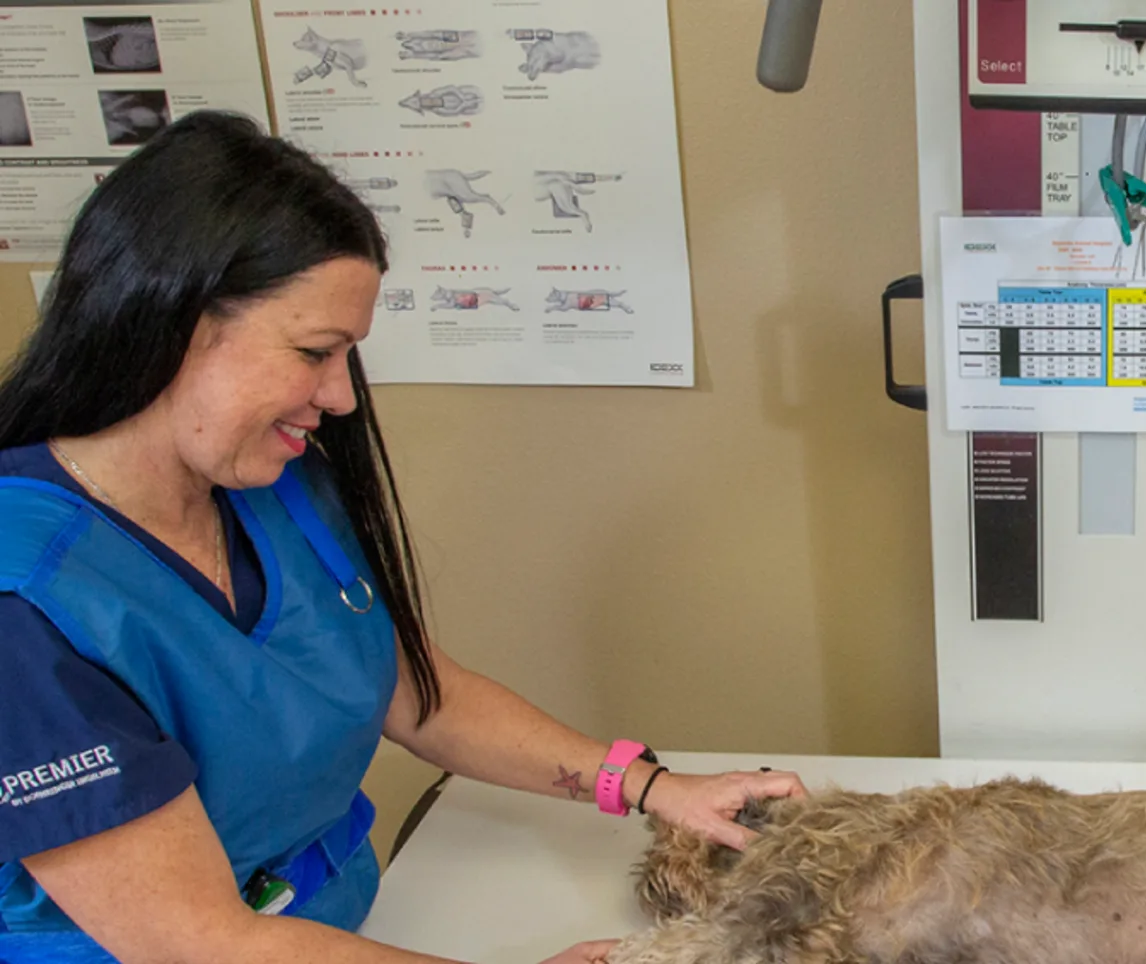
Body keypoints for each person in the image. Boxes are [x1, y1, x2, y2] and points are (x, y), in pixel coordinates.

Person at [0, 110, 804, 964]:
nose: (342, 397)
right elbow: (203, 943)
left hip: (345, 923)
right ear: (175, 323)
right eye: (316, 350)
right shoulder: (26, 606)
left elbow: (416, 692)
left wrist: (653, 786)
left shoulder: (271, 485)